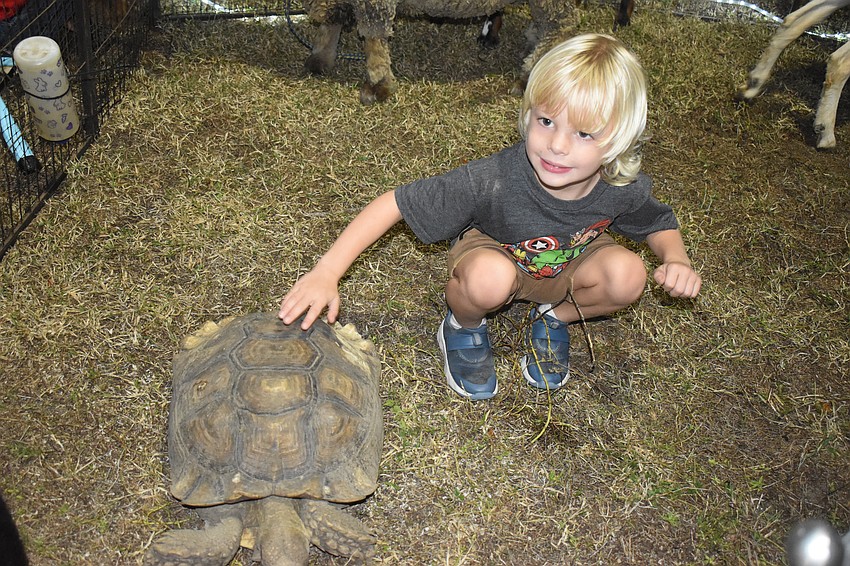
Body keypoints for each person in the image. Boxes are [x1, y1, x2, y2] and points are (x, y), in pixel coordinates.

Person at [279, 33, 702, 400]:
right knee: (488, 280)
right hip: (495, 256)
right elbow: (394, 203)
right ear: (528, 114)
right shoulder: (492, 178)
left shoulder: (619, 187)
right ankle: (463, 326)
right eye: (547, 120)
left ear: (618, 143)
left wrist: (676, 259)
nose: (556, 145)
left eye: (584, 133)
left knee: (629, 275)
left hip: (569, 263)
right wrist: (327, 271)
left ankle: (553, 317)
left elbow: (657, 223)